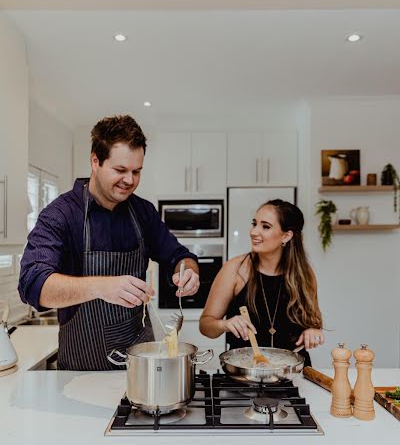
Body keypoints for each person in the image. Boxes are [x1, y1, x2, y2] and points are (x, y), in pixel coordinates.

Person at [19, 115, 200, 371]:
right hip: (82, 368)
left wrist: (188, 270)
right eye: (120, 170)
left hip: (139, 364)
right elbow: (32, 284)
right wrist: (100, 287)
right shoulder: (61, 215)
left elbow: (179, 256)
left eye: (136, 171)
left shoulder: (143, 212)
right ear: (95, 161)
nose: (130, 180)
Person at [199, 199, 324, 366]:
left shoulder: (304, 274)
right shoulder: (235, 270)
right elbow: (206, 326)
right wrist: (224, 324)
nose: (253, 232)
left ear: (286, 236)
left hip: (293, 374)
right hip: (244, 375)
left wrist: (313, 332)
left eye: (265, 226)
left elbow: (314, 324)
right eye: (254, 224)